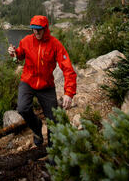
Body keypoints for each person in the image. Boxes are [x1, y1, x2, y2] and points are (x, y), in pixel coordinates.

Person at [8, 15, 77, 147]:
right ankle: (37, 127)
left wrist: (69, 92)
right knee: (22, 108)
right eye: (34, 29)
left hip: (46, 85)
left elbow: (68, 68)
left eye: (39, 29)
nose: (36, 32)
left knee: (53, 119)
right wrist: (14, 53)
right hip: (28, 81)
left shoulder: (55, 44)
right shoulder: (26, 41)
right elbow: (20, 55)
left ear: (45, 28)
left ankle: (53, 152)